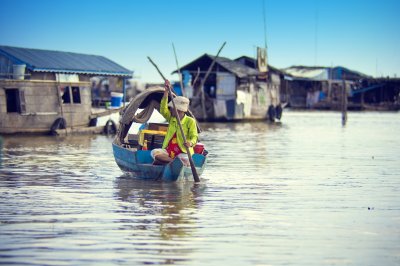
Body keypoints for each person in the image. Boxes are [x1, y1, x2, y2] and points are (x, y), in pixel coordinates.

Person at [151, 80, 198, 165]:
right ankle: (174, 162)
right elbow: (163, 109)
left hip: (183, 152)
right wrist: (166, 92)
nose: (171, 109)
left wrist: (190, 143)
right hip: (169, 151)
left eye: (172, 108)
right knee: (154, 153)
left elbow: (194, 137)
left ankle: (172, 162)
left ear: (178, 110)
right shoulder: (171, 118)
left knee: (184, 159)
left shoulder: (190, 121)